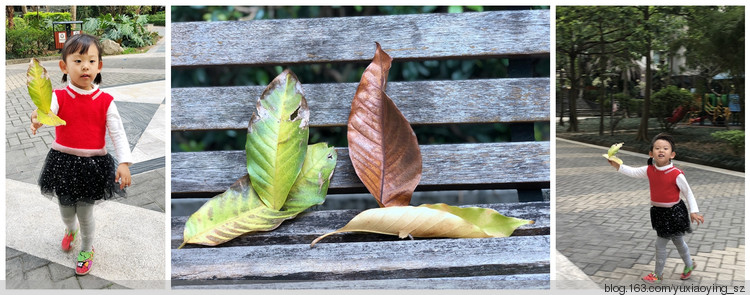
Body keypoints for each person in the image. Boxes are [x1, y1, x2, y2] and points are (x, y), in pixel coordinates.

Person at [30, 33, 132, 276]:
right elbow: (46, 111)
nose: (85, 66)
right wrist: (38, 118)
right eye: (78, 61)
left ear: (99, 66)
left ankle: (87, 248)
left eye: (91, 61)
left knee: (85, 213)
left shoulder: (106, 101)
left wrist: (125, 163)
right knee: (66, 211)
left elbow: (118, 133)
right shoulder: (58, 96)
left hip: (92, 165)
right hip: (62, 162)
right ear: (64, 66)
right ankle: (70, 230)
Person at [608, 133, 704, 283]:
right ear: (651, 153)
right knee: (678, 241)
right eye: (657, 148)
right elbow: (632, 172)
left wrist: (694, 211)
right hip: (659, 213)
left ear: (672, 154)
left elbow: (688, 193)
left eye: (665, 148)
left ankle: (658, 274)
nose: (661, 150)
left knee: (661, 244)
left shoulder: (676, 174)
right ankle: (690, 265)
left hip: (674, 213)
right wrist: (617, 165)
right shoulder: (649, 170)